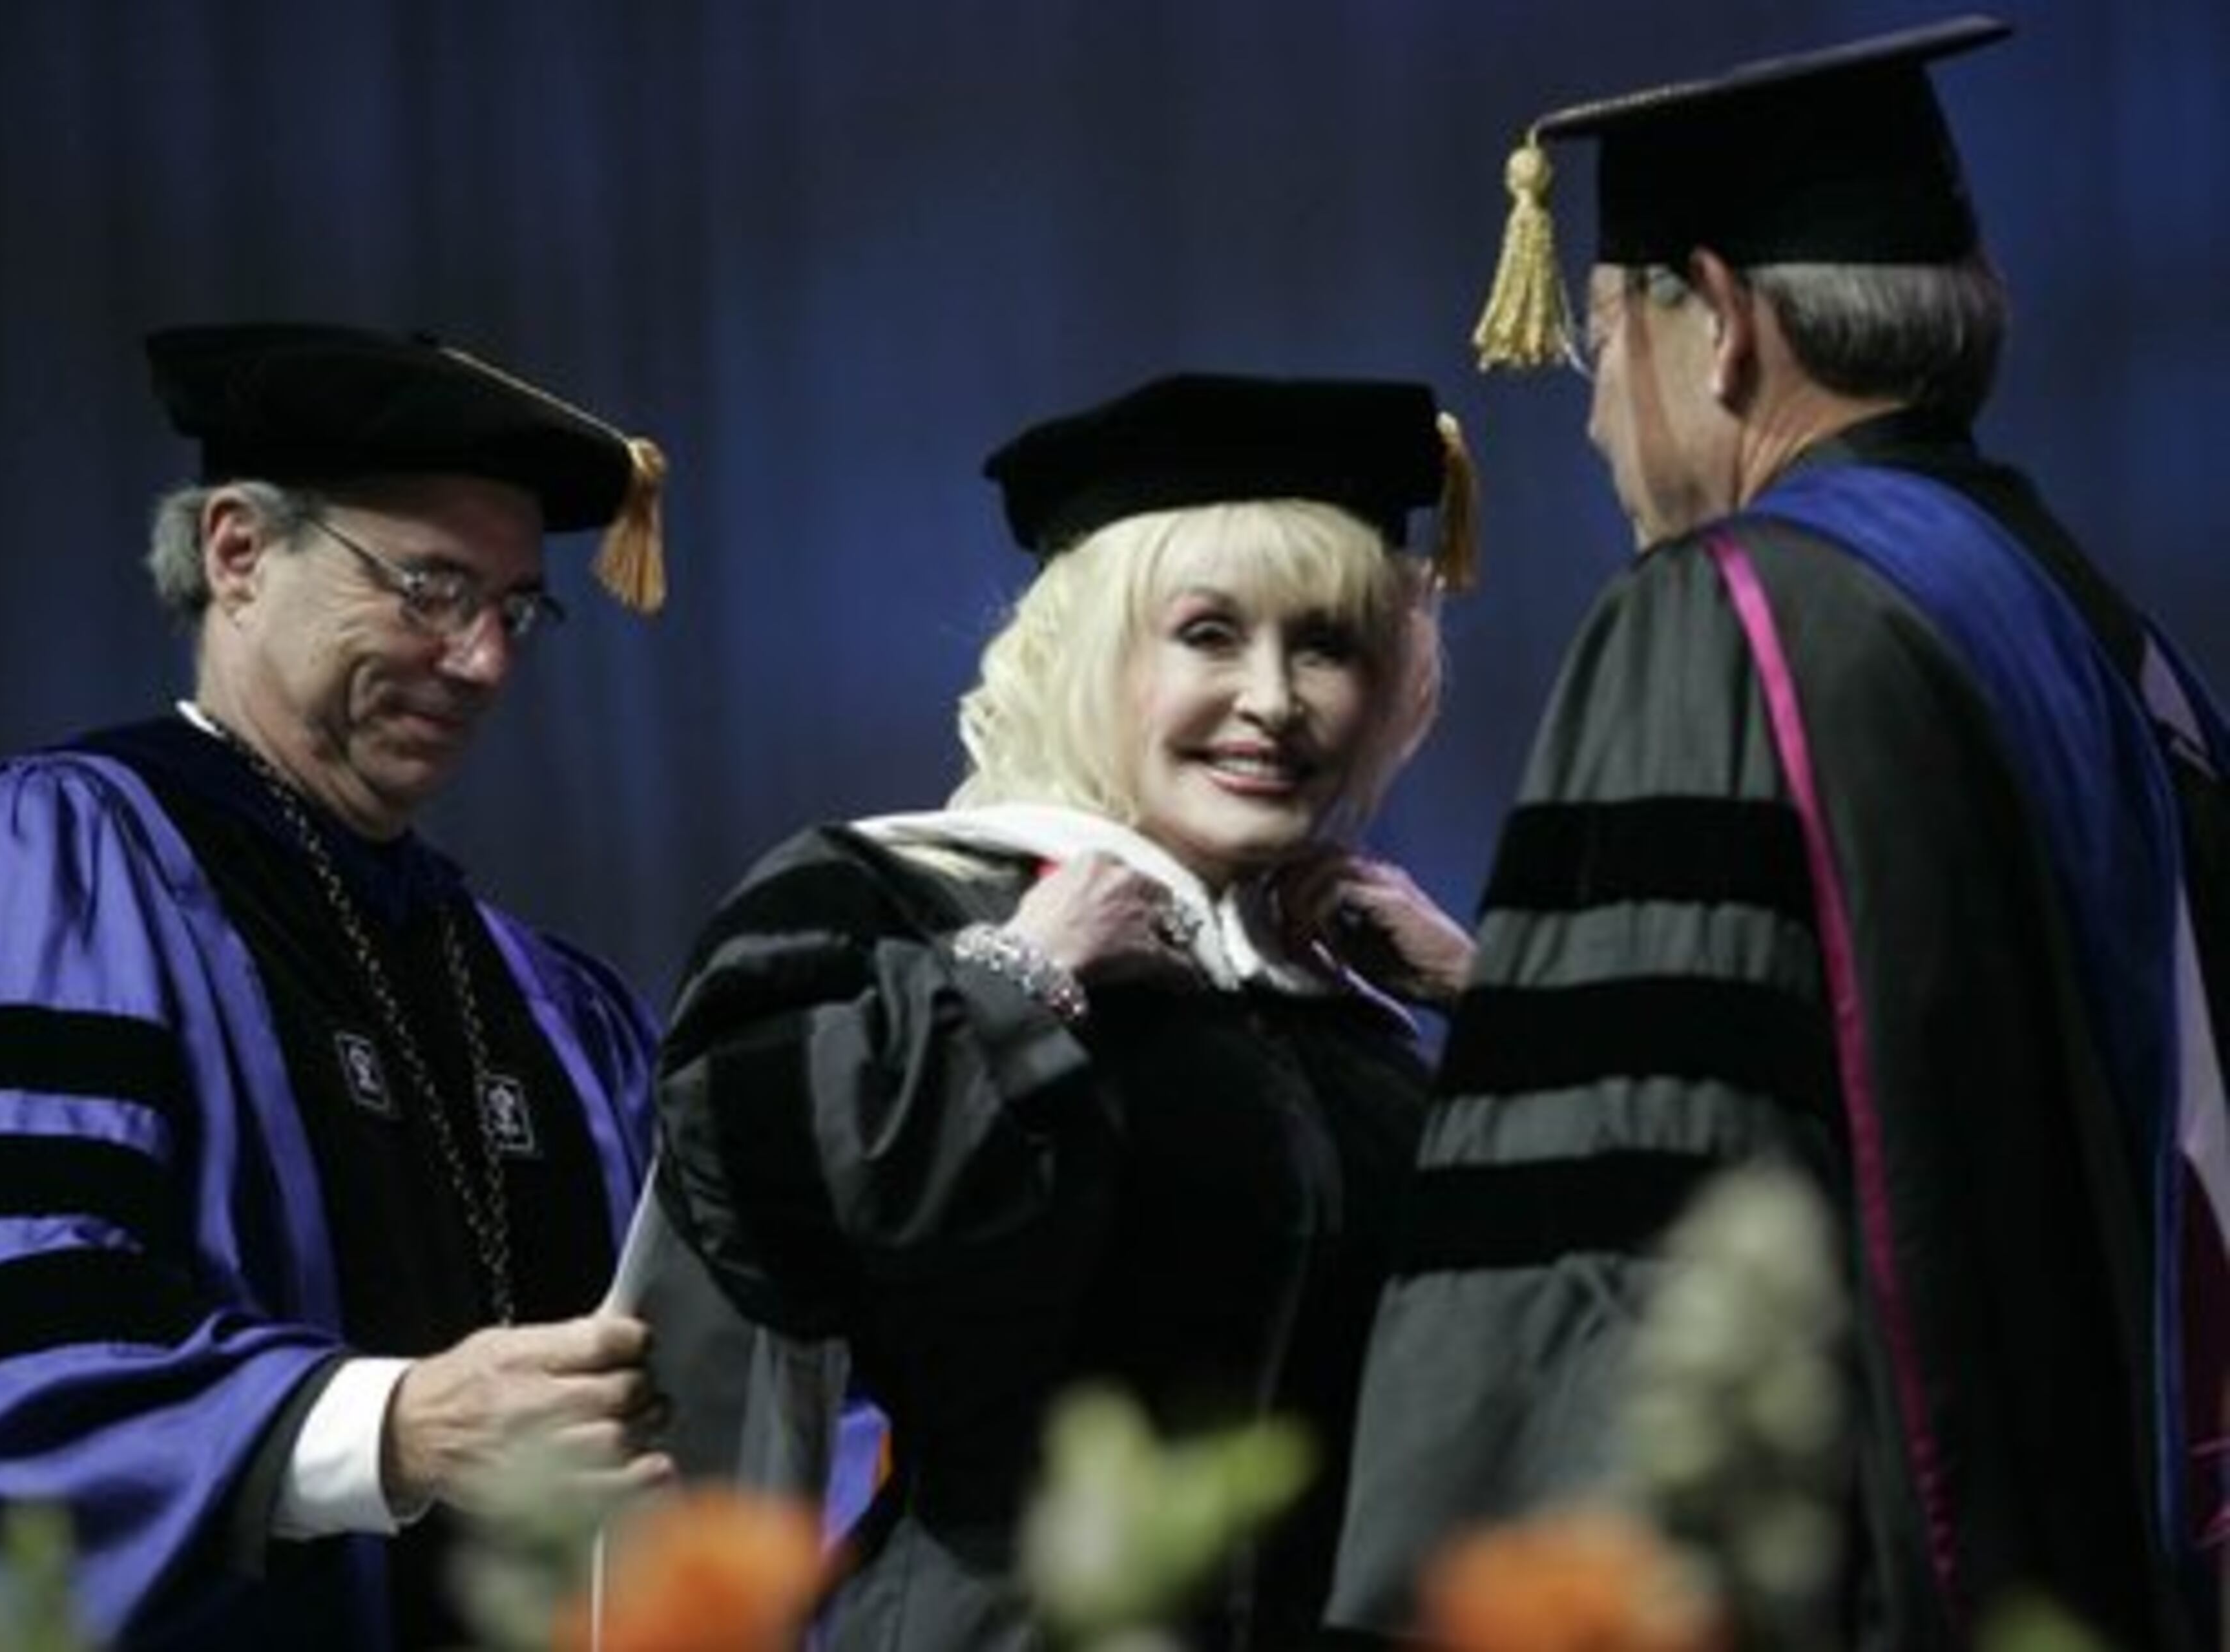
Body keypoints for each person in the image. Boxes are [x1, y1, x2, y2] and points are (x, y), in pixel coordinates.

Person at [1328, 17, 2229, 1652]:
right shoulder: (2106, 634)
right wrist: (1518, 985)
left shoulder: (1728, 612)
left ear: (1723, 323)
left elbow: (1619, 1244)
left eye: (1602, 348)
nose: (1599, 426)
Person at [0, 322, 681, 1649]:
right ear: (239, 553)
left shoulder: (546, 999)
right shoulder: (43, 872)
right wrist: (397, 1426)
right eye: (429, 588)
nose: (483, 661)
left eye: (513, 611)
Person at [645, 370, 1481, 1649]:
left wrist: (1491, 1001)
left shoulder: (1356, 1008)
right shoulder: (897, 899)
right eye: (1209, 633)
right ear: (1094, 653)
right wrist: (1022, 975)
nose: (1273, 697)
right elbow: (765, 1211)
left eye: (1326, 644)